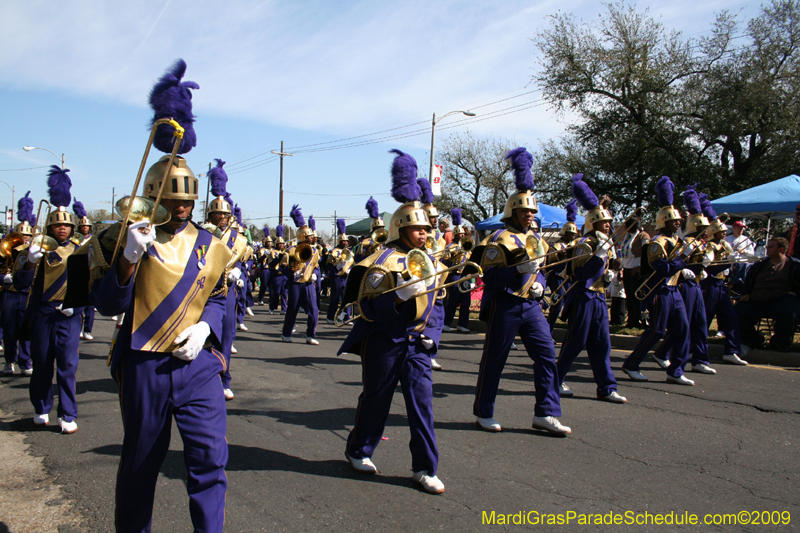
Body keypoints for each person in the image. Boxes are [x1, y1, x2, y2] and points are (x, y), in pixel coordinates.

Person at [90, 59, 229, 533]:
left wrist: (208, 323)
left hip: (198, 365)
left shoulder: (212, 245)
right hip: (143, 361)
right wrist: (127, 259)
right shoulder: (125, 237)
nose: (182, 208)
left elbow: (221, 294)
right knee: (141, 464)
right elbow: (108, 305)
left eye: (188, 201)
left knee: (210, 460)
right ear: (154, 195)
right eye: (173, 200)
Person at [340, 149, 446, 494]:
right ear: (401, 227)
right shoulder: (380, 262)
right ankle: (359, 449)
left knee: (422, 405)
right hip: (385, 339)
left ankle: (425, 468)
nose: (424, 235)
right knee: (376, 398)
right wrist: (398, 295)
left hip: (417, 343)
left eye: (426, 230)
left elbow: (438, 305)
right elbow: (368, 307)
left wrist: (433, 336)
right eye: (418, 229)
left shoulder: (432, 261)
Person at [471, 147, 570, 435]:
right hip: (506, 303)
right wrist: (517, 271)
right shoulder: (498, 238)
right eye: (525, 210)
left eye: (532, 211)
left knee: (546, 356)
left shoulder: (535, 237)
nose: (530, 215)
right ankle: (483, 411)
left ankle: (547, 413)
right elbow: (489, 277)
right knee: (495, 359)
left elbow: (541, 268)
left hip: (531, 304)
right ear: (513, 210)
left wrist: (541, 283)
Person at [16, 168, 85, 432]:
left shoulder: (80, 250)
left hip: (68, 315)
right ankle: (41, 407)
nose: (63, 229)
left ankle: (67, 413)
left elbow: (88, 286)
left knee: (68, 366)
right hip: (43, 314)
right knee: (43, 363)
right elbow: (23, 285)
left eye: (67, 224)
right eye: (58, 225)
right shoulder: (37, 248)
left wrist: (76, 307)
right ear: (50, 226)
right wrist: (29, 262)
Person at [556, 174, 626, 403]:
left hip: (598, 298)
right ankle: (555, 380)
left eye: (609, 222)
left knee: (602, 345)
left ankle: (606, 387)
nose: (609, 225)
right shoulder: (584, 244)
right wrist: (600, 256)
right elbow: (580, 274)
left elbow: (602, 272)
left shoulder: (604, 244)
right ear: (593, 223)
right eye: (604, 222)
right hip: (583, 297)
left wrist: (612, 268)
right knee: (575, 342)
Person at [621, 176, 697, 385]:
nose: (678, 222)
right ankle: (631, 364)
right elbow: (662, 268)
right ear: (664, 221)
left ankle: (676, 370)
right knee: (656, 331)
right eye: (674, 220)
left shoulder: (676, 240)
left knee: (683, 330)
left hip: (674, 290)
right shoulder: (657, 242)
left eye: (679, 220)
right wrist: (683, 260)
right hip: (659, 290)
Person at [650, 185, 716, 374]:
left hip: (694, 284)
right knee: (680, 326)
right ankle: (663, 355)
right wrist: (688, 269)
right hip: (683, 285)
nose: (705, 230)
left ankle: (699, 359)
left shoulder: (697, 243)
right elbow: (676, 263)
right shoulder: (684, 242)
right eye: (702, 227)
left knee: (699, 323)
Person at [206, 159, 247, 401]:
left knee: (227, 334)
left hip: (227, 290)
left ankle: (224, 379)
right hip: (203, 289)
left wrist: (238, 271)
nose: (220, 217)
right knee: (205, 335)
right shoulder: (201, 232)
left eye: (223, 214)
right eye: (216, 213)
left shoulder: (238, 238)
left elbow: (240, 260)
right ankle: (204, 376)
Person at [703, 199, 748, 365]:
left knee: (730, 318)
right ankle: (692, 350)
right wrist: (727, 262)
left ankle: (731, 350)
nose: (724, 234)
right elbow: (707, 268)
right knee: (704, 320)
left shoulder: (725, 245)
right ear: (714, 232)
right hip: (710, 285)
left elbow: (731, 263)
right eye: (721, 232)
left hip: (721, 285)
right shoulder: (710, 247)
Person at [736, 237, 800, 353]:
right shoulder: (760, 265)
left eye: (771, 246)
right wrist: (746, 293)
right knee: (736, 312)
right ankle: (754, 340)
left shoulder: (794, 265)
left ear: (781, 249)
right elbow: (748, 281)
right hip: (757, 299)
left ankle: (779, 345)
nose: (767, 248)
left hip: (781, 300)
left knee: (790, 313)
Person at [1, 192, 34, 376]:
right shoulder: (5, 251)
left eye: (27, 236)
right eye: (22, 235)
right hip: (10, 294)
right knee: (9, 330)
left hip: (26, 294)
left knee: (26, 329)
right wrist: (3, 278)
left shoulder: (35, 252)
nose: (24, 239)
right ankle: (9, 360)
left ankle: (25, 361)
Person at [282, 204, 320, 345]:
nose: (312, 238)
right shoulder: (291, 250)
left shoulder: (315, 251)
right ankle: (286, 333)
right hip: (296, 283)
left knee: (314, 310)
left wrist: (315, 273)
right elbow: (282, 266)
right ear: (303, 236)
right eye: (310, 236)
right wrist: (292, 273)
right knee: (292, 309)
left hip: (309, 283)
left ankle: (311, 335)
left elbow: (316, 266)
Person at [546, 199, 578, 334]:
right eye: (571, 233)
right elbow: (553, 265)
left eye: (574, 233)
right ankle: (548, 332)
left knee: (572, 306)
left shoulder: (576, 246)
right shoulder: (556, 246)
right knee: (557, 306)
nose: (573, 236)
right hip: (558, 278)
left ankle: (571, 333)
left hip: (570, 279)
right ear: (565, 233)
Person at [442, 208, 473, 333]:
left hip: (466, 275)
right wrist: (454, 257)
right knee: (453, 300)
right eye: (459, 234)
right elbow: (444, 261)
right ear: (455, 234)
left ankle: (463, 324)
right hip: (455, 275)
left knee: (466, 301)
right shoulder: (450, 247)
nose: (461, 236)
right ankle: (446, 322)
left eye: (463, 234)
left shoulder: (467, 246)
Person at [619, 219, 650, 329]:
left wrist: (640, 268)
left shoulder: (643, 236)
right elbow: (624, 254)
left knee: (636, 297)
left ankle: (639, 320)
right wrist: (621, 269)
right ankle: (631, 320)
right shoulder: (627, 237)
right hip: (627, 269)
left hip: (637, 270)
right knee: (629, 297)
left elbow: (647, 253)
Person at [74, 201, 96, 340]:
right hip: (78, 273)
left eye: (87, 226)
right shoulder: (75, 240)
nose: (85, 229)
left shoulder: (94, 240)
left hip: (91, 272)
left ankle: (88, 329)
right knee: (78, 304)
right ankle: (79, 328)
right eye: (82, 227)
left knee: (90, 305)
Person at [325, 219, 353, 324]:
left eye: (346, 241)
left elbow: (352, 262)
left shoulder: (350, 251)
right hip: (337, 277)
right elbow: (327, 265)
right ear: (339, 241)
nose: (345, 242)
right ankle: (331, 317)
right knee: (335, 298)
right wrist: (336, 268)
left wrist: (350, 270)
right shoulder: (333, 251)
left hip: (346, 277)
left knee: (347, 299)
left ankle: (347, 317)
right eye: (343, 241)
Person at [268, 226, 289, 314]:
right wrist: (277, 258)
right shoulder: (273, 252)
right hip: (277, 274)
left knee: (285, 292)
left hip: (284, 275)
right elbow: (271, 264)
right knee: (276, 292)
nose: (282, 245)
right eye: (280, 243)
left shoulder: (286, 252)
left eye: (283, 243)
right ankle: (272, 307)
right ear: (276, 244)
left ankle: (284, 308)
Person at [256, 227, 274, 305]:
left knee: (271, 286)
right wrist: (264, 256)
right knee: (263, 285)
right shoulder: (262, 250)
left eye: (270, 242)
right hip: (265, 269)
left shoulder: (273, 250)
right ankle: (260, 299)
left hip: (271, 269)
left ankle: (271, 300)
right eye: (268, 242)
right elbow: (259, 260)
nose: (269, 244)